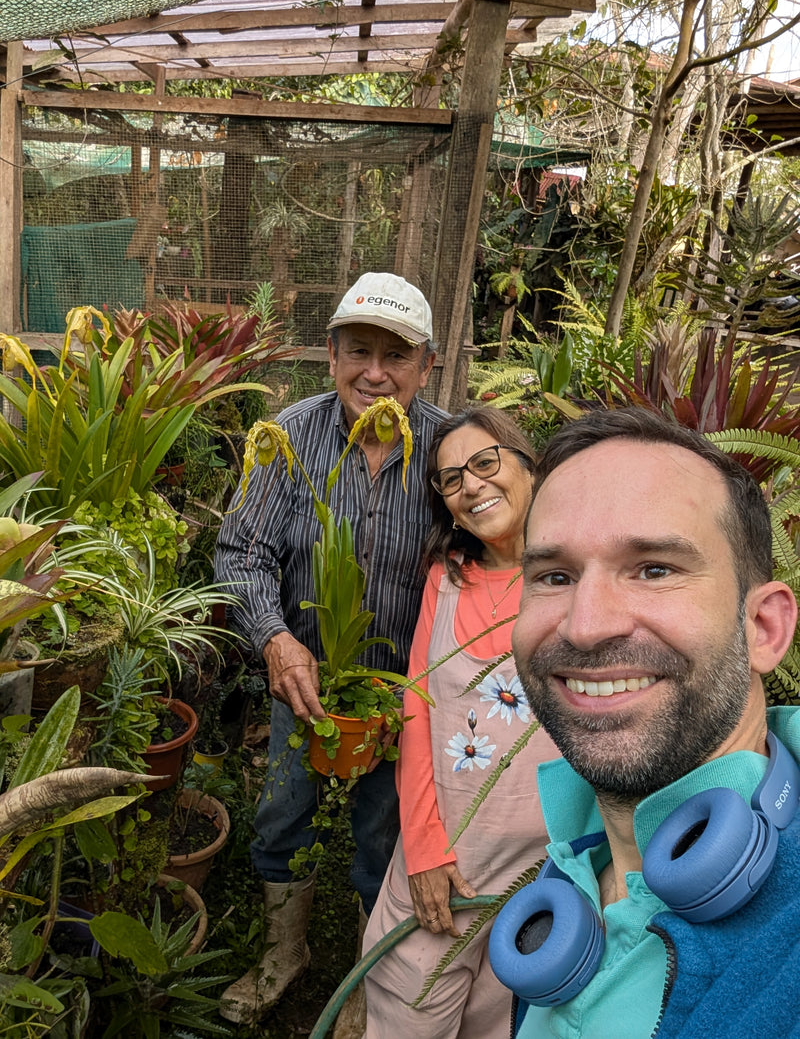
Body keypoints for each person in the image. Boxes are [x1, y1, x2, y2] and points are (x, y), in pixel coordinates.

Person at [495, 406, 800, 1038]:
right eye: (554, 576)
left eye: (654, 569)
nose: (585, 626)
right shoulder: (567, 880)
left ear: (764, 628)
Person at [214, 272, 447, 1025]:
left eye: (395, 356)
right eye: (358, 351)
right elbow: (241, 551)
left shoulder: (449, 450)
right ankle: (284, 953)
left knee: (384, 834)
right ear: (330, 353)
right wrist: (276, 641)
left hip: (405, 696)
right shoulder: (291, 435)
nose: (374, 373)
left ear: (426, 366)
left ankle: (364, 982)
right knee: (283, 814)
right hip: (303, 683)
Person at [363, 407, 561, 1038]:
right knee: (408, 1010)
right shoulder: (446, 580)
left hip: (541, 875)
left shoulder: (577, 581)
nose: (471, 485)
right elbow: (416, 707)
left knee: (500, 1022)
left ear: (529, 466)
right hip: (445, 862)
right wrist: (421, 849)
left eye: (485, 462)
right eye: (451, 480)